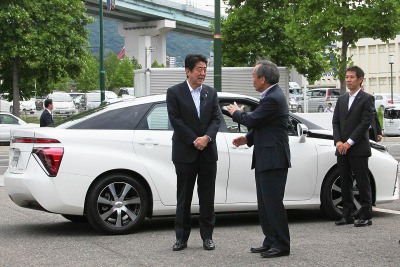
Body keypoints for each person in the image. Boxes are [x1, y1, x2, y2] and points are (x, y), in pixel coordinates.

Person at [227, 60, 291, 258]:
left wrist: (236, 112)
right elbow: (262, 126)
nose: (252, 80)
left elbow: (252, 120)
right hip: (266, 157)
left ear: (263, 79)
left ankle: (281, 244)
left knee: (273, 203)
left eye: (254, 76)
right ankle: (270, 240)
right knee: (264, 203)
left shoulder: (273, 98)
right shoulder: (269, 96)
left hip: (274, 158)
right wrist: (247, 138)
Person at [166, 54, 222, 251]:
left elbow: (217, 119)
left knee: (207, 197)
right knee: (184, 197)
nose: (203, 73)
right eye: (199, 69)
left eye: (205, 69)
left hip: (207, 152)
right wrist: (194, 139)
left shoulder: (211, 93)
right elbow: (176, 120)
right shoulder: (174, 92)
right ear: (188, 71)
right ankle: (181, 238)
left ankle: (207, 237)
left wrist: (206, 138)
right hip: (185, 153)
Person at [332, 66, 375, 227]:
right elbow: (335, 121)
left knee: (362, 182)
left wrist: (349, 143)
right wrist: (338, 142)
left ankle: (366, 215)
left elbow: (365, 123)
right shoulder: (342, 99)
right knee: (344, 181)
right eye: (347, 77)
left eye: (351, 77)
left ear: (360, 79)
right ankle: (347, 214)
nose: (348, 80)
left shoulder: (367, 99)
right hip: (341, 148)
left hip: (358, 148)